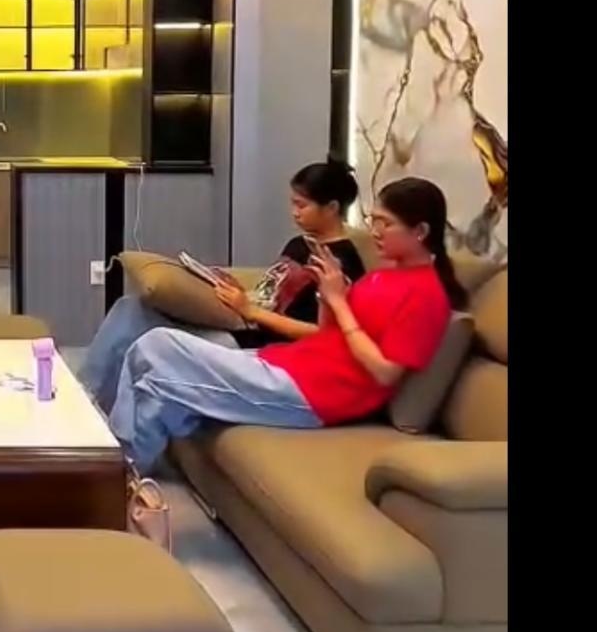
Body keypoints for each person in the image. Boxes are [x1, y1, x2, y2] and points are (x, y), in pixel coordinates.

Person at [106, 176, 466, 480]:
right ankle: (118, 473)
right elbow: (328, 332)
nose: (374, 231)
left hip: (314, 395)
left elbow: (385, 372)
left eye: (386, 223)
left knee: (156, 354)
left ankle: (112, 476)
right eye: (373, 220)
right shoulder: (383, 275)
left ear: (420, 231)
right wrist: (328, 294)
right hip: (290, 363)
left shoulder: (427, 297)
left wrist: (341, 304)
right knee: (154, 371)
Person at [77, 161, 368, 413]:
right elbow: (272, 292)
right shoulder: (299, 243)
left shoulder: (340, 263)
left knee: (146, 333)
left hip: (261, 348)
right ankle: (86, 399)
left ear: (331, 208)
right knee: (131, 308)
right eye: (292, 203)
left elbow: (324, 334)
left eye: (301, 205)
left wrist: (251, 311)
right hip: (243, 324)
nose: (294, 212)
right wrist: (229, 288)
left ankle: (88, 406)